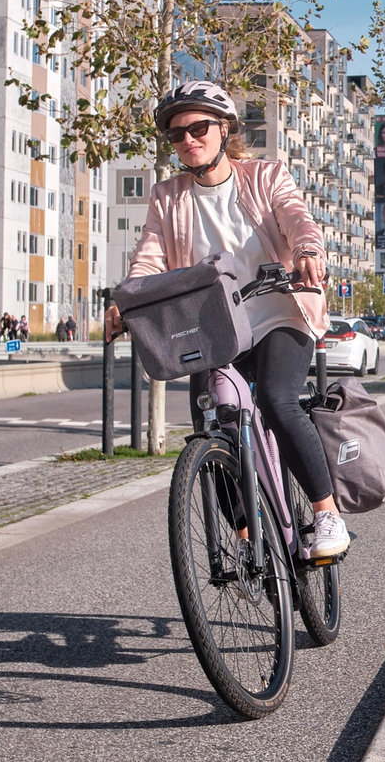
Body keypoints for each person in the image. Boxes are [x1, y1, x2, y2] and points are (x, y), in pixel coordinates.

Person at [105, 80, 349, 558]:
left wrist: (307, 251)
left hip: (278, 309)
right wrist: (126, 302)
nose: (188, 140)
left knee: (279, 401)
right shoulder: (167, 197)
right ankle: (246, 541)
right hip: (214, 326)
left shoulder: (264, 176)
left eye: (199, 128)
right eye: (177, 135)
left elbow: (296, 218)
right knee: (213, 426)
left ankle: (326, 513)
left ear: (224, 129)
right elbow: (149, 259)